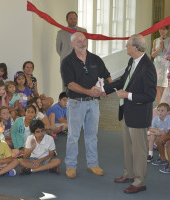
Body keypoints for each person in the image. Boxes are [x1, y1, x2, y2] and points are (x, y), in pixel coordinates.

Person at [102, 34, 157, 193]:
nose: (126, 47)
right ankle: (129, 174)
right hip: (128, 112)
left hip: (139, 114)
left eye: (127, 45)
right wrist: (104, 90)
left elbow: (150, 96)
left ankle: (140, 182)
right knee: (128, 147)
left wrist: (128, 95)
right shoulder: (132, 61)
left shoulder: (148, 67)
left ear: (135, 47)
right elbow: (123, 81)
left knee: (139, 150)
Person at [61, 32, 112, 179]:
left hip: (94, 104)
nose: (83, 43)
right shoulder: (67, 62)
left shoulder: (95, 59)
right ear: (72, 44)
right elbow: (70, 84)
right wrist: (89, 92)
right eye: (79, 41)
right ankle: (70, 166)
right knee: (73, 136)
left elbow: (107, 75)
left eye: (84, 40)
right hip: (76, 103)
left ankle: (92, 164)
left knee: (92, 136)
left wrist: (106, 90)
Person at [151, 26, 170, 103]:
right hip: (157, 64)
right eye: (160, 29)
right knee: (157, 85)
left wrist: (163, 47)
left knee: (164, 86)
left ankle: (164, 103)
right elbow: (152, 55)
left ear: (167, 30)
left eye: (164, 29)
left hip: (165, 64)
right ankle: (160, 104)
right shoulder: (155, 41)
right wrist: (159, 48)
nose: (162, 31)